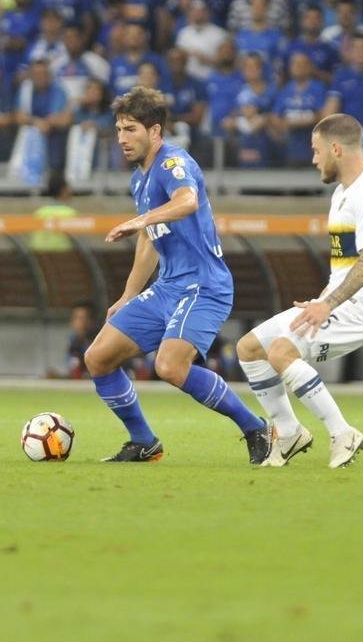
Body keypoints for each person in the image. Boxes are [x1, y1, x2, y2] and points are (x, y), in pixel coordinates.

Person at [83, 86, 272, 464]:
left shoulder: (173, 163)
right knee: (98, 357)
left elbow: (185, 202)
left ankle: (256, 428)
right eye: (119, 129)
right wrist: (128, 294)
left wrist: (140, 220)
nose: (122, 138)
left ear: (155, 132)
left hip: (204, 285)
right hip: (168, 286)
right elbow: (151, 241)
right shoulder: (139, 179)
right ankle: (144, 442)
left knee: (169, 366)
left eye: (131, 129)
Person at [237, 113, 363, 468]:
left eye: (316, 151)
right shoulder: (342, 193)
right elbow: (344, 264)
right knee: (249, 348)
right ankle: (290, 432)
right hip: (336, 301)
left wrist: (328, 305)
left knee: (281, 350)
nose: (313, 159)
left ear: (335, 148)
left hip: (362, 308)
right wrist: (323, 299)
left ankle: (343, 433)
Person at [64, 300, 98, 380]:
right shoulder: (73, 342)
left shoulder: (98, 343)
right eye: (77, 318)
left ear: (92, 321)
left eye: (84, 318)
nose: (81, 323)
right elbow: (75, 371)